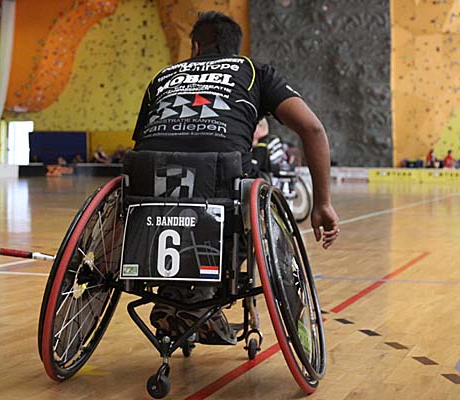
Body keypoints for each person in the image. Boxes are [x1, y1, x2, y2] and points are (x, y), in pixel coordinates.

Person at [132, 11, 339, 344]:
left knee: (168, 188)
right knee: (247, 201)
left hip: (146, 179)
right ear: (234, 48)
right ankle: (202, 295)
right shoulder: (253, 71)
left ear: (195, 47)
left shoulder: (164, 75)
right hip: (220, 177)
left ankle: (172, 290)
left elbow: (143, 138)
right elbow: (313, 129)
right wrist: (322, 203)